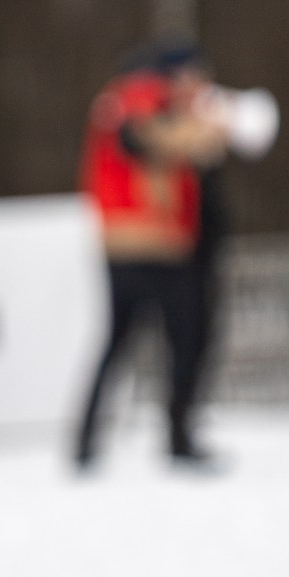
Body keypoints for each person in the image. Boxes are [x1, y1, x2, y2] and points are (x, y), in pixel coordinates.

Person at [73, 43, 229, 468]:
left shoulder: (118, 101)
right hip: (152, 242)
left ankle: (86, 440)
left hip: (135, 240)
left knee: (120, 342)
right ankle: (176, 437)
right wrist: (202, 131)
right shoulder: (139, 95)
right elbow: (145, 137)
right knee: (179, 340)